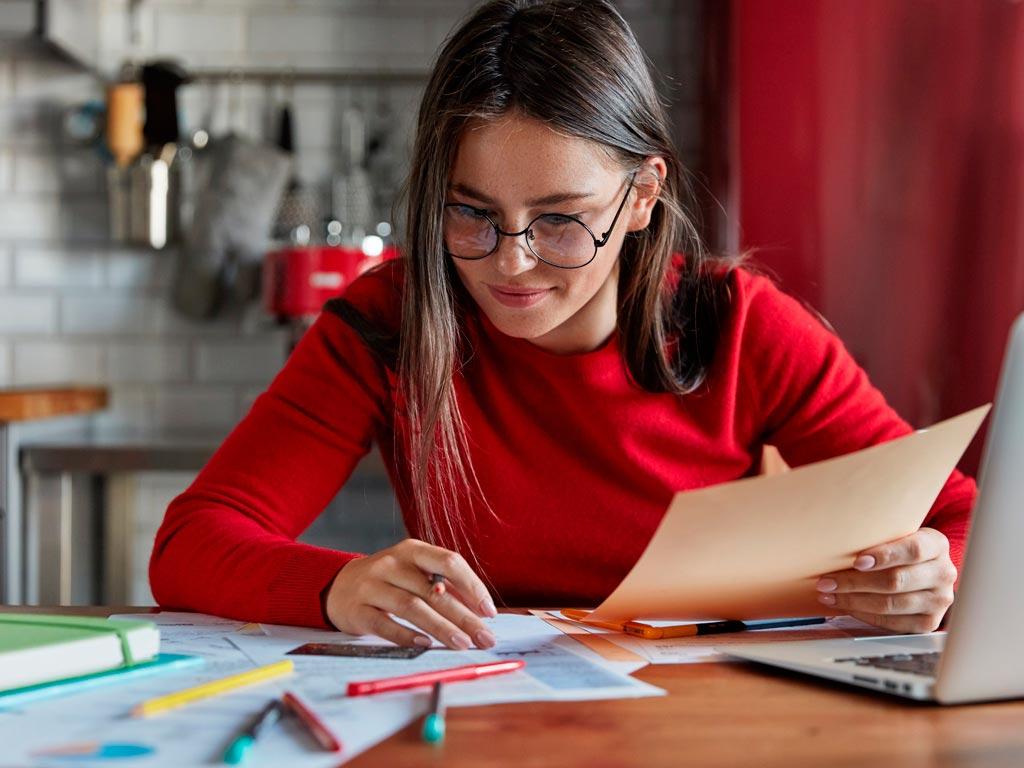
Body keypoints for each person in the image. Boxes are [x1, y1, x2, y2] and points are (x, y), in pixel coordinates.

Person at [149, 0, 974, 652]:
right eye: (471, 214)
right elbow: (191, 543)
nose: (510, 264)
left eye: (559, 220)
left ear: (643, 196)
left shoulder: (742, 326)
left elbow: (962, 517)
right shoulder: (388, 322)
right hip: (495, 715)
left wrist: (939, 574)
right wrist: (337, 588)